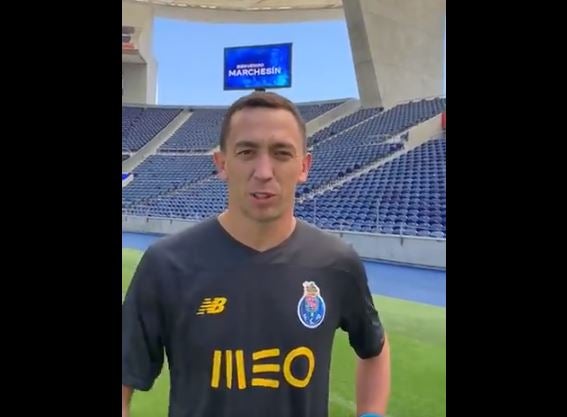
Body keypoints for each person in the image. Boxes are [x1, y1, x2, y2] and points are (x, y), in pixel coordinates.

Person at [122, 92, 391, 417]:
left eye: (281, 153)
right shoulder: (166, 264)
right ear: (222, 164)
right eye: (247, 152)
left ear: (303, 166)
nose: (264, 171)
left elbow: (374, 347)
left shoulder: (336, 263)